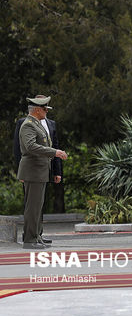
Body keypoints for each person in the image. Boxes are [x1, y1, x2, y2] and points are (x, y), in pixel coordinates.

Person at [17, 95, 68, 249]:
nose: (47, 111)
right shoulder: (28, 125)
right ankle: (30, 240)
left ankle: (35, 236)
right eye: (45, 109)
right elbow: (31, 146)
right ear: (37, 110)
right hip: (33, 171)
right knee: (32, 207)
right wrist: (55, 152)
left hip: (39, 171)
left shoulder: (36, 124)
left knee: (37, 207)